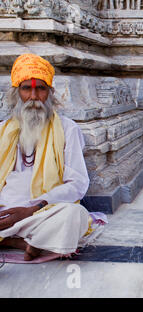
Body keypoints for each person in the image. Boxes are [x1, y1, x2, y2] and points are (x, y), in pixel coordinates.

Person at [0, 53, 92, 261]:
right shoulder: (2, 131)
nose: (33, 96)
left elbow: (77, 183)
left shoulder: (68, 129)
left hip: (43, 212)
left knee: (74, 216)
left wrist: (34, 208)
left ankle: (14, 239)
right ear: (17, 93)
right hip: (4, 212)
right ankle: (20, 241)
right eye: (26, 88)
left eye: (40, 88)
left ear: (49, 94)